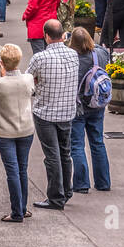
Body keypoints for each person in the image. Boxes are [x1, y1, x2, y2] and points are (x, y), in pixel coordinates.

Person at [26, 19, 79, 210]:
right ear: (63, 35)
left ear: (46, 36)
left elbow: (27, 82)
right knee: (65, 152)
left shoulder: (39, 58)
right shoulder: (73, 55)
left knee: (52, 156)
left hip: (46, 113)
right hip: (67, 111)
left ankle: (55, 197)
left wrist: (39, 82)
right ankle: (66, 190)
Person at [0, 43, 36, 222]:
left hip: (5, 132)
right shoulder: (27, 78)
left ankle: (16, 212)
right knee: (22, 169)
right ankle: (23, 207)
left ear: (1, 62)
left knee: (12, 171)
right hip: (26, 129)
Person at [68, 27, 111, 193]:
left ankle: (81, 184)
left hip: (79, 106)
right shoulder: (100, 54)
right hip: (97, 104)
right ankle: (103, 182)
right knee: (98, 142)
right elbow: (102, 48)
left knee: (77, 145)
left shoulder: (73, 58)